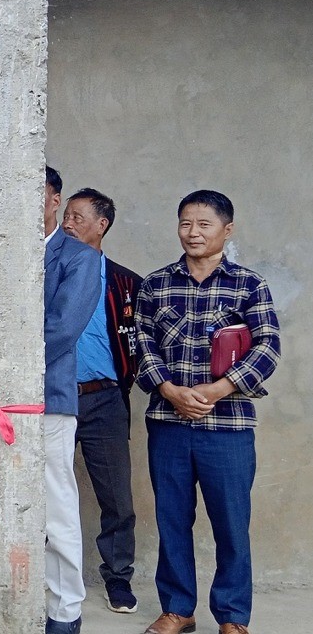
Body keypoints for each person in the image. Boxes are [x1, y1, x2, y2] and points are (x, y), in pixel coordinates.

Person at [134, 190, 279, 634]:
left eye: (204, 225)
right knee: (172, 519)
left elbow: (268, 347)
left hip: (228, 426)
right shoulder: (156, 284)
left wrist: (217, 389)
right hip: (168, 423)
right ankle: (179, 608)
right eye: (185, 224)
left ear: (226, 230)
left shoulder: (249, 284)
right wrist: (169, 390)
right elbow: (140, 345)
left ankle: (233, 616)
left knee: (232, 524)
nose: (193, 233)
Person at [0, 166, 102, 634]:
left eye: (38, 196)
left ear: (54, 201)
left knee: (56, 507)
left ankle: (64, 610)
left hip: (48, 403)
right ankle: (8, 595)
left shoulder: (79, 259)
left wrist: (7, 370)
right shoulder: (7, 254)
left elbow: (63, 330)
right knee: (1, 504)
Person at [62, 188, 143, 615]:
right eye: (66, 215)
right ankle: (40, 574)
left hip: (104, 400)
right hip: (54, 398)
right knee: (44, 493)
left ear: (102, 225)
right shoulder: (48, 270)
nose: (68, 223)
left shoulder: (125, 282)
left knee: (116, 497)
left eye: (77, 216)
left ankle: (118, 578)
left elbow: (140, 345)